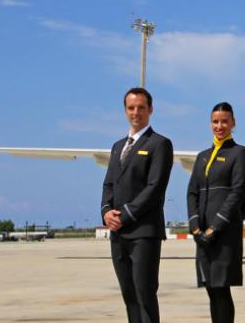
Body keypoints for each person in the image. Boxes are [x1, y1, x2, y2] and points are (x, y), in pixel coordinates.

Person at [100, 87, 174, 323]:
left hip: (144, 234)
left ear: (150, 110)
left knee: (144, 295)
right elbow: (109, 184)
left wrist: (125, 215)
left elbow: (155, 188)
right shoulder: (117, 146)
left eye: (141, 107)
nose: (136, 112)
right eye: (131, 108)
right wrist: (106, 212)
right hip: (118, 234)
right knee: (129, 297)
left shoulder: (160, 144)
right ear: (125, 111)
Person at [186, 102, 245, 323]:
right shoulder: (202, 156)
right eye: (215, 121)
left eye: (224, 121)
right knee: (210, 288)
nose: (219, 126)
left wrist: (216, 227)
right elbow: (192, 192)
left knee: (222, 289)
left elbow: (237, 191)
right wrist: (195, 227)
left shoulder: (240, 153)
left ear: (233, 123)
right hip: (202, 235)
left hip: (224, 234)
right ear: (210, 123)